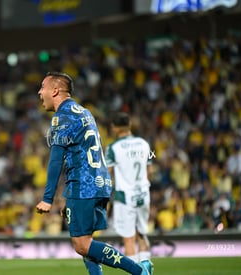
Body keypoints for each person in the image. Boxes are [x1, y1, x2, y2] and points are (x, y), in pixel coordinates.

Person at [35, 72, 152, 275]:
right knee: (85, 240)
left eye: (43, 87)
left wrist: (48, 198)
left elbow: (56, 160)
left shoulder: (61, 117)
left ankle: (140, 271)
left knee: (82, 244)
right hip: (98, 181)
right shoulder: (84, 112)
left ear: (55, 90)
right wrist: (68, 196)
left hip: (84, 183)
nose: (39, 92)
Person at [105, 112, 153, 271]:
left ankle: (137, 273)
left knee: (129, 239)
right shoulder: (144, 144)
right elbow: (149, 169)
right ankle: (146, 271)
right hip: (144, 194)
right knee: (142, 235)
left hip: (125, 198)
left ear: (114, 127)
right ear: (130, 124)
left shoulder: (113, 148)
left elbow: (108, 173)